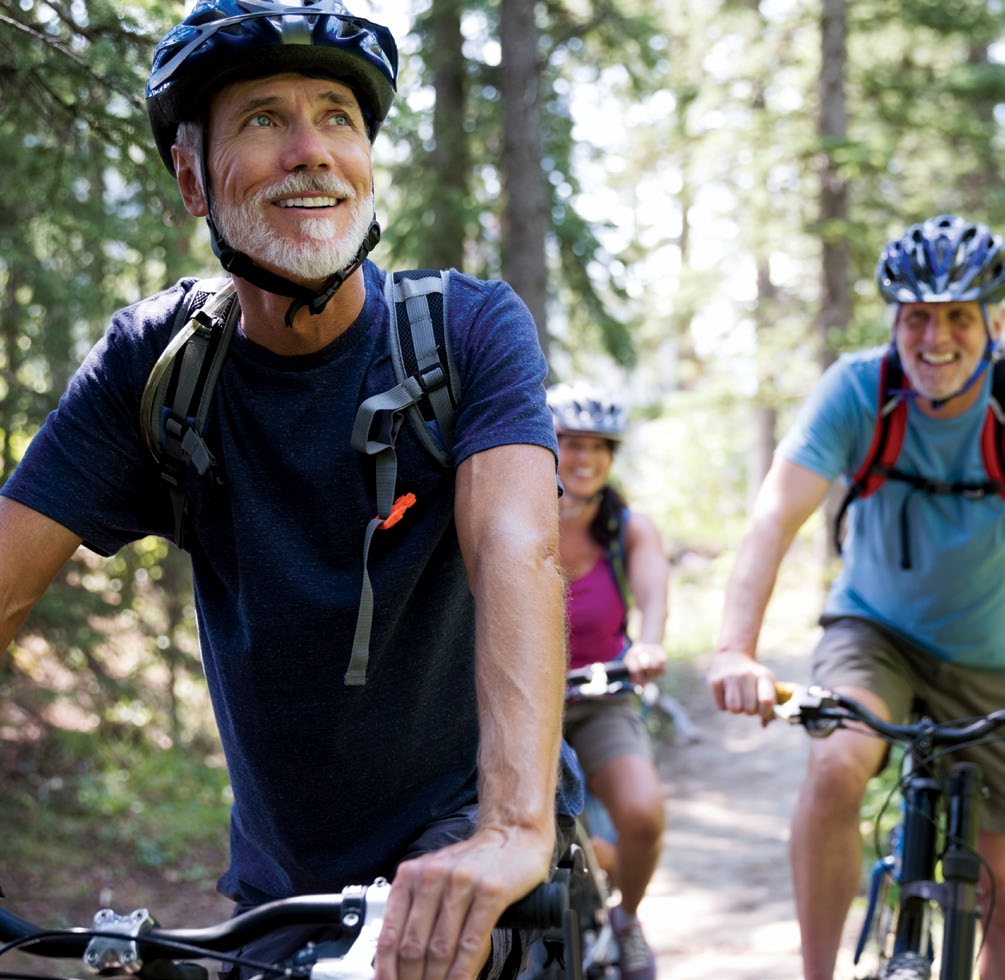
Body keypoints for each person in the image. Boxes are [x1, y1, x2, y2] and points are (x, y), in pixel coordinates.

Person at [0, 2, 583, 978]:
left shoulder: (469, 333)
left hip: (475, 834)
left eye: (338, 118)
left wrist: (514, 825)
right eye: (265, 118)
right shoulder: (155, 368)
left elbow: (516, 548)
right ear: (192, 175)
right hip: (282, 886)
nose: (311, 150)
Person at [707, 213, 1005, 980]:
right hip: (874, 633)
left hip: (994, 658)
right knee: (838, 764)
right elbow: (773, 518)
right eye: (916, 318)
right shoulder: (859, 390)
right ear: (893, 322)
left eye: (956, 318)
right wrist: (734, 649)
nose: (933, 338)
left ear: (992, 322)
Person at [547, 382, 669, 980]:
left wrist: (648, 643)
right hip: (523, 698)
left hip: (602, 695)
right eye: (571, 444)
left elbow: (652, 601)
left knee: (642, 813)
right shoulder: (520, 513)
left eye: (599, 447)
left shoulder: (629, 530)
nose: (585, 459)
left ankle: (627, 919)